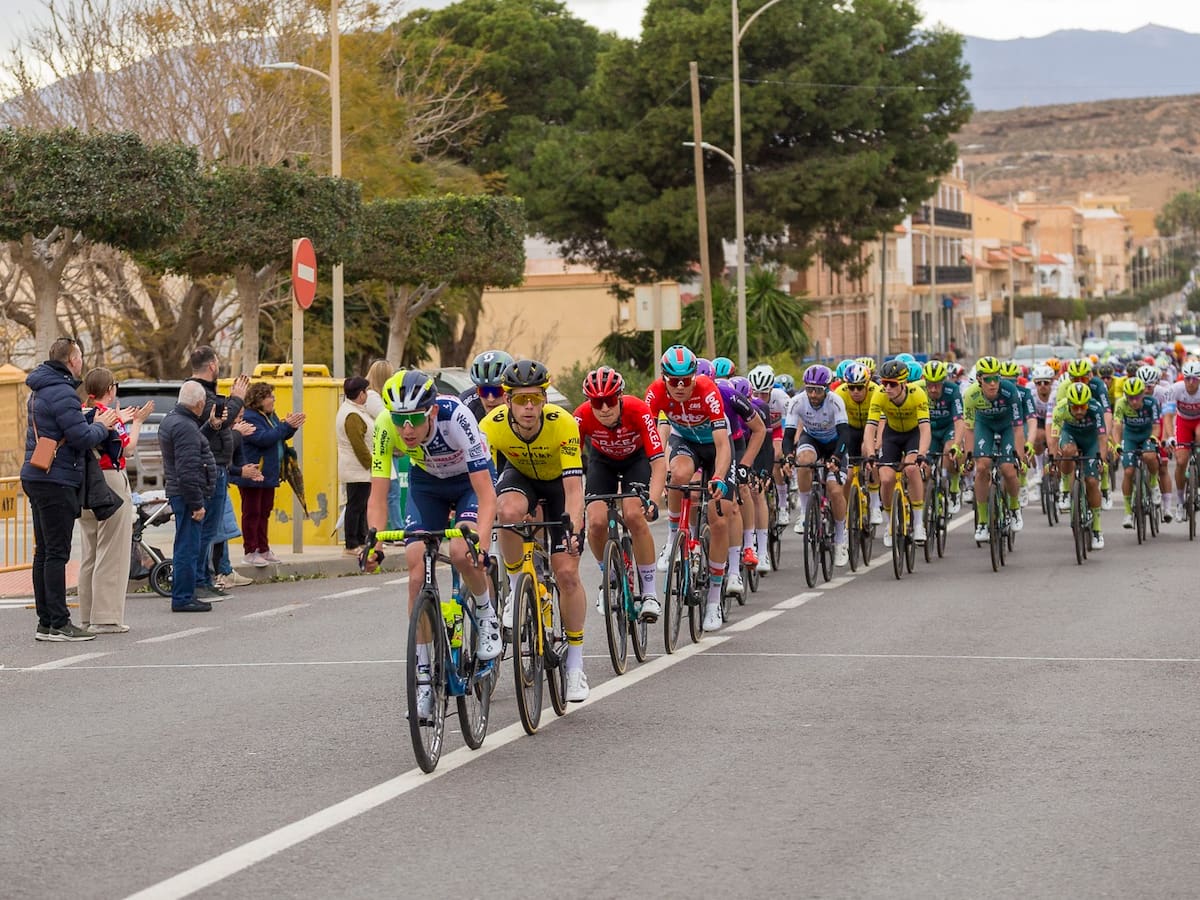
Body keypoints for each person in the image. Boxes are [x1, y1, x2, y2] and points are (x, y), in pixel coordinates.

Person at [367, 370, 501, 718]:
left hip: (469, 482)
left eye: (414, 419)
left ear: (431, 412)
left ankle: (486, 613)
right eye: (400, 420)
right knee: (415, 571)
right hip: (427, 484)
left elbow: (487, 496)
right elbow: (378, 493)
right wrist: (373, 540)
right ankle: (424, 677)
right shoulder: (385, 426)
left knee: (461, 552)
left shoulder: (455, 416)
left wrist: (481, 545)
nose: (406, 429)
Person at [481, 359, 590, 701]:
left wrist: (573, 530)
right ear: (507, 400)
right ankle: (516, 589)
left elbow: (573, 491)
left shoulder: (563, 423)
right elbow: (482, 486)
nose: (528, 407)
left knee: (567, 574)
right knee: (506, 511)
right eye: (520, 399)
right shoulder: (491, 426)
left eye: (535, 399)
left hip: (559, 486)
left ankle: (575, 666)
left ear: (544, 399)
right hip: (521, 478)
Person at [22, 338, 118, 641]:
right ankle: (60, 623)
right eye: (80, 356)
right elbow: (81, 437)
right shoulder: (62, 391)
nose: (81, 362)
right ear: (72, 360)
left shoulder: (39, 389)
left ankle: (46, 622)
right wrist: (101, 425)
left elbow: (63, 427)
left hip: (38, 474)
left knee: (44, 552)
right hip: (57, 478)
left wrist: (89, 421)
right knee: (57, 553)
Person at [645, 345, 734, 633]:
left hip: (715, 447)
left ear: (694, 376)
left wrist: (719, 476)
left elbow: (723, 444)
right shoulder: (655, 392)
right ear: (664, 378)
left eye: (686, 380)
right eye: (674, 381)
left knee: (718, 518)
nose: (680, 387)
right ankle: (674, 537)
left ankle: (714, 600)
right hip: (685, 442)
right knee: (678, 474)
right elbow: (649, 438)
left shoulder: (707, 390)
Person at [573, 366, 667, 621]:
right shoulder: (581, 416)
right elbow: (570, 467)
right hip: (602, 462)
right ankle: (610, 578)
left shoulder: (638, 410)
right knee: (596, 522)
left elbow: (659, 463)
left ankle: (649, 594)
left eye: (610, 400)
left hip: (636, 460)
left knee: (634, 514)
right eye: (597, 402)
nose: (604, 408)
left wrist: (653, 501)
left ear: (620, 397)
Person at [78, 367, 153, 633]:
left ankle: (86, 615)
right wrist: (138, 422)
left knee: (90, 552)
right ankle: (105, 617)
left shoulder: (81, 414)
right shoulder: (109, 416)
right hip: (110, 480)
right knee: (112, 551)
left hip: (86, 483)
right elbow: (127, 448)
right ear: (110, 389)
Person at [185, 346, 250, 600]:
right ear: (212, 365)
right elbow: (220, 420)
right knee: (205, 529)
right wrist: (237, 398)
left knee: (210, 530)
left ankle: (205, 578)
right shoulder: (200, 393)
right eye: (218, 363)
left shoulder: (206, 392)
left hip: (217, 466)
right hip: (209, 468)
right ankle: (199, 580)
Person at [160, 381, 218, 612]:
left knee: (185, 544)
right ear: (200, 403)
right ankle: (184, 597)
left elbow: (192, 448)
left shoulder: (175, 420)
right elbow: (187, 470)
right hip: (187, 496)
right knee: (188, 547)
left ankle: (184, 594)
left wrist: (209, 427)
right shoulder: (185, 426)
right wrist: (196, 504)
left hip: (181, 492)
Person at [235, 382, 305, 566]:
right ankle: (250, 550)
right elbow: (263, 439)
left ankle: (263, 549)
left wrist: (290, 427)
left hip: (268, 474)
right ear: (259, 399)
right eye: (269, 396)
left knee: (264, 511)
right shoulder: (249, 417)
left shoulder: (269, 415)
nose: (273, 400)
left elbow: (277, 435)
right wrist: (285, 426)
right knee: (252, 512)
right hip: (253, 473)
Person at [336, 376, 374, 556]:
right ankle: (351, 543)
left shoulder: (355, 411)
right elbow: (358, 444)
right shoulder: (352, 415)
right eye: (366, 391)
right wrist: (371, 463)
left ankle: (360, 539)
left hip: (358, 468)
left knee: (361, 504)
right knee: (355, 506)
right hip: (357, 468)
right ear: (361, 394)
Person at [462, 349, 514, 422]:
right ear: (477, 391)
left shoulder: (524, 405)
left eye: (497, 391)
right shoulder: (467, 406)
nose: (490, 399)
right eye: (484, 392)